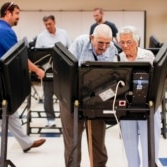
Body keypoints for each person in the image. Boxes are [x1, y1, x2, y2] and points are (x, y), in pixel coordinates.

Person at [0, 2, 46, 165]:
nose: (18, 17)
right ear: (8, 12)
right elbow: (19, 57)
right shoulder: (6, 31)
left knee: (9, 111)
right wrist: (37, 70)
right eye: (17, 13)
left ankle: (25, 143)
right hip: (0, 79)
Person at [60, 24, 118, 167]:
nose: (104, 47)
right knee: (72, 142)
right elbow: (67, 69)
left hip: (97, 100)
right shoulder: (80, 43)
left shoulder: (113, 50)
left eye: (107, 43)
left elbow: (114, 79)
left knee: (97, 141)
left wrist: (105, 99)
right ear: (92, 38)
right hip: (73, 97)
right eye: (100, 43)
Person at [116, 25, 161, 167]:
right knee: (130, 150)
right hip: (127, 108)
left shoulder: (148, 56)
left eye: (128, 42)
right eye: (122, 42)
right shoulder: (117, 58)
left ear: (137, 41)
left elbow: (156, 82)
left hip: (147, 106)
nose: (125, 45)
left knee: (150, 148)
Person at [35, 15, 71, 127]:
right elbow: (37, 56)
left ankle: (67, 118)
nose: (47, 26)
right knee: (47, 96)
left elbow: (70, 49)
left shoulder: (63, 33)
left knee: (65, 96)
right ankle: (50, 119)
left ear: (54, 22)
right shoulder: (41, 37)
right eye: (45, 24)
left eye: (49, 24)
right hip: (47, 70)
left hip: (62, 71)